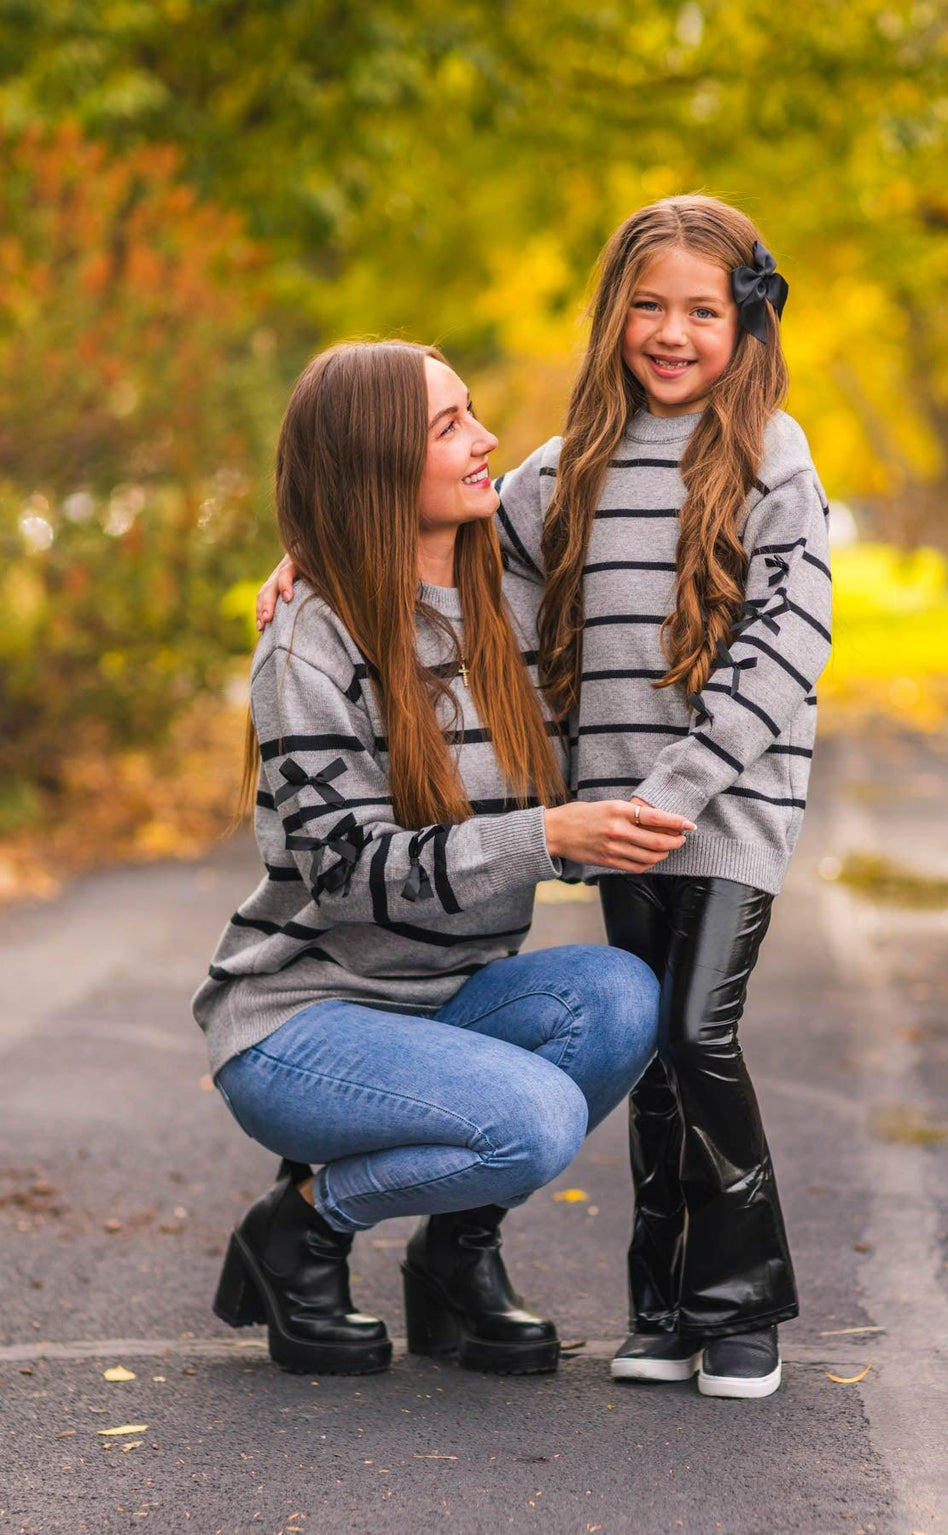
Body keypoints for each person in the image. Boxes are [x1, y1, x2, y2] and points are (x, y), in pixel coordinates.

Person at [258, 196, 833, 1399]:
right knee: (656, 1052)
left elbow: (787, 644)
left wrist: (676, 788)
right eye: (647, 305)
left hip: (722, 808)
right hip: (620, 816)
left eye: (703, 310)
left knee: (697, 1033)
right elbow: (448, 545)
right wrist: (313, 552)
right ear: (611, 312)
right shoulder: (564, 467)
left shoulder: (770, 454)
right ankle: (661, 1307)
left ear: (748, 322)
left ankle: (742, 1303)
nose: (670, 332)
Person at [198, 339, 688, 1379]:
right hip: (300, 1024)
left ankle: (455, 1257)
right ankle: (299, 1226)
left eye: (473, 412)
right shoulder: (310, 640)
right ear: (378, 464)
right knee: (536, 1122)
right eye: (450, 426)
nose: (487, 439)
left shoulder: (510, 598)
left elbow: (624, 455)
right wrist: (546, 835)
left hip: (445, 1002)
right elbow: (347, 873)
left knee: (619, 996)